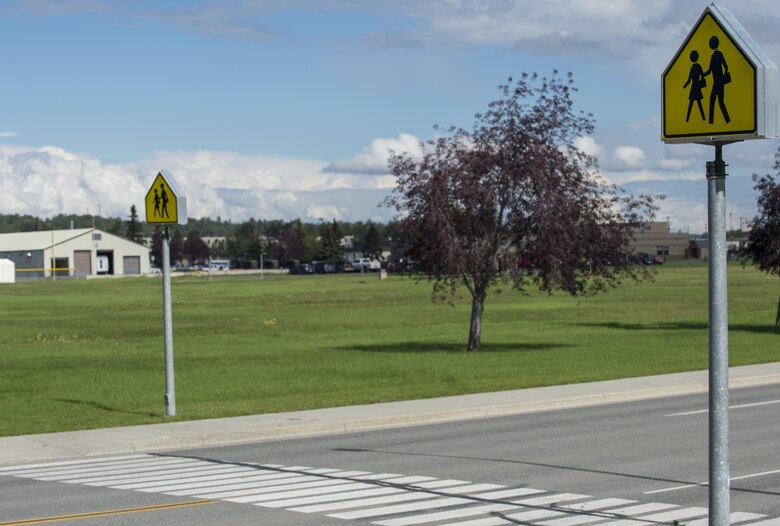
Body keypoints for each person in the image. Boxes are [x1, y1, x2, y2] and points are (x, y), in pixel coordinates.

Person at [703, 36, 731, 125]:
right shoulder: (713, 56)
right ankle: (712, 122)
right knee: (714, 101)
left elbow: (726, 66)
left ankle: (727, 120)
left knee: (719, 102)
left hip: (719, 82)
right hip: (717, 82)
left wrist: (723, 77)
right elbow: (710, 70)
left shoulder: (719, 54)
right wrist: (703, 75)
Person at [683, 50, 706, 122]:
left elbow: (689, 80)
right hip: (697, 87)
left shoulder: (693, 67)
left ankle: (687, 120)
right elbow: (702, 76)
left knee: (693, 104)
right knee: (697, 104)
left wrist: (684, 86)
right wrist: (684, 86)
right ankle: (703, 118)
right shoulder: (698, 66)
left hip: (694, 87)